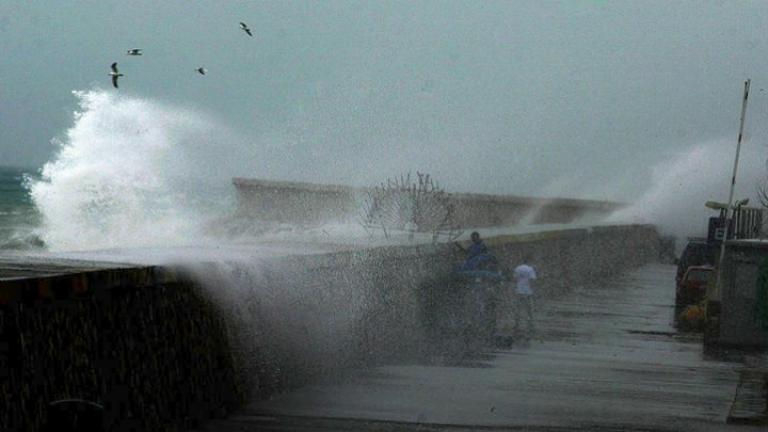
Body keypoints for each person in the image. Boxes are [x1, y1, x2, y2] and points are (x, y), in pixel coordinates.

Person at [513, 255, 537, 337]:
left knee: (518, 308)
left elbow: (515, 279)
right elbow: (532, 280)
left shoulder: (518, 268)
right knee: (529, 309)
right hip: (528, 292)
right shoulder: (530, 269)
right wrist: (533, 289)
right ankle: (529, 323)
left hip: (519, 291)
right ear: (529, 261)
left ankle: (517, 322)